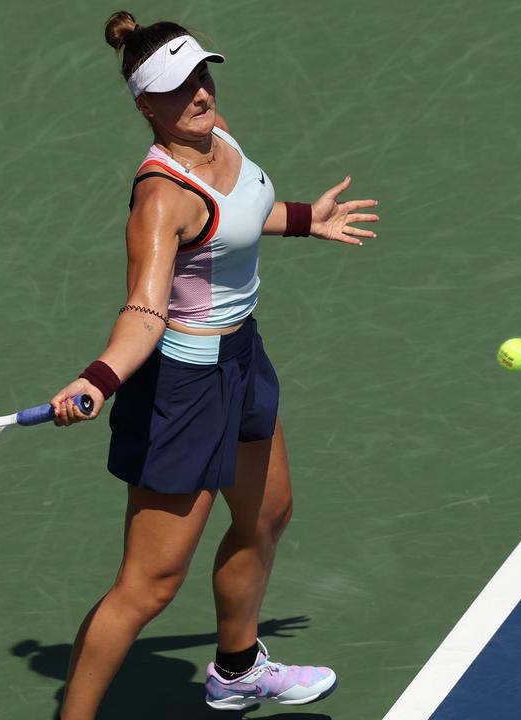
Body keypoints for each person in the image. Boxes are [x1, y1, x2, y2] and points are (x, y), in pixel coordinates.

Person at [45, 11, 379, 719]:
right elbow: (144, 311)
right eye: (178, 86)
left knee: (267, 516)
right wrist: (99, 378)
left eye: (201, 74)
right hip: (183, 389)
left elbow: (236, 214)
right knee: (148, 586)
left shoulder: (216, 136)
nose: (199, 92)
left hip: (242, 360)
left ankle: (236, 669)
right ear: (145, 105)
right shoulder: (161, 196)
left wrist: (299, 217)